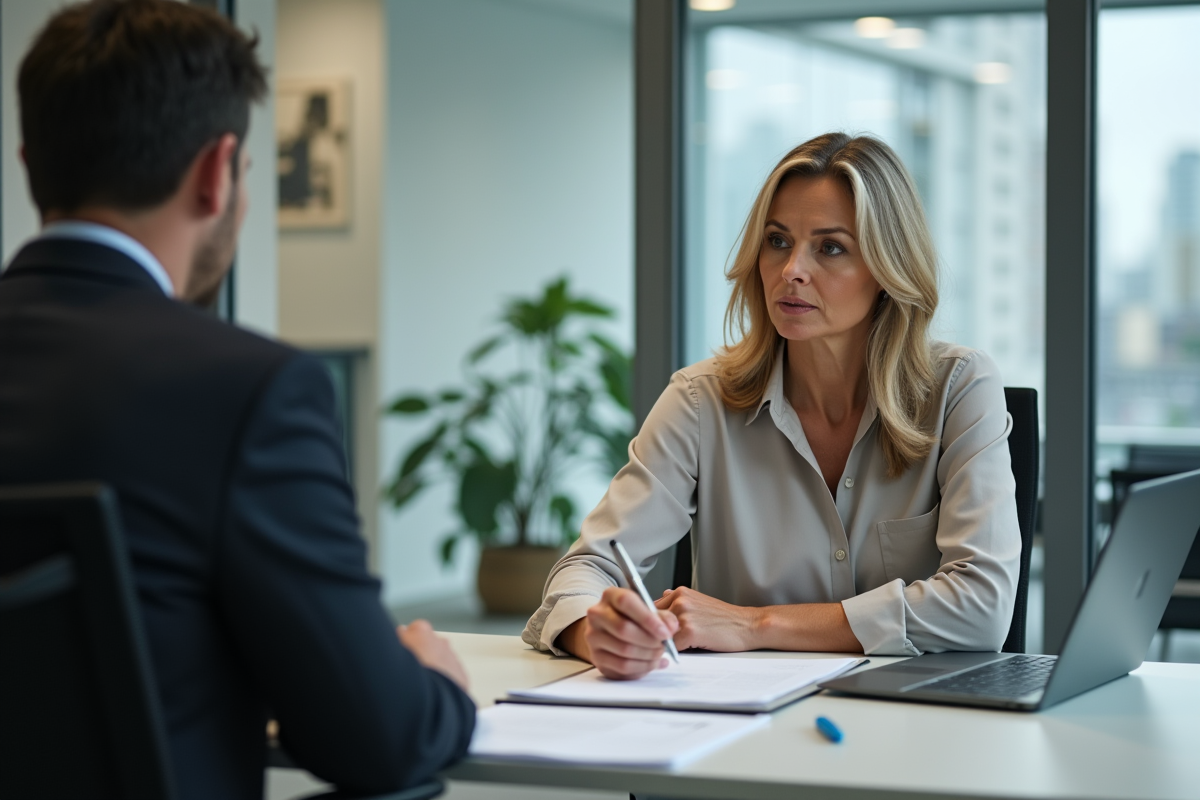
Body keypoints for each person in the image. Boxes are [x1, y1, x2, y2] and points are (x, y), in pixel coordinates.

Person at [0, 2, 474, 798]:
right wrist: (437, 686)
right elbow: (377, 735)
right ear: (219, 173)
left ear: (28, 162)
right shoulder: (247, 390)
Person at [523, 132, 1021, 680]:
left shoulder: (960, 387)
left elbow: (983, 606)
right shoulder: (699, 402)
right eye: (778, 241)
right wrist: (596, 631)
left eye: (830, 247)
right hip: (742, 726)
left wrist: (754, 624)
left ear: (886, 269)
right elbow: (587, 568)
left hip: (920, 722)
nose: (791, 271)